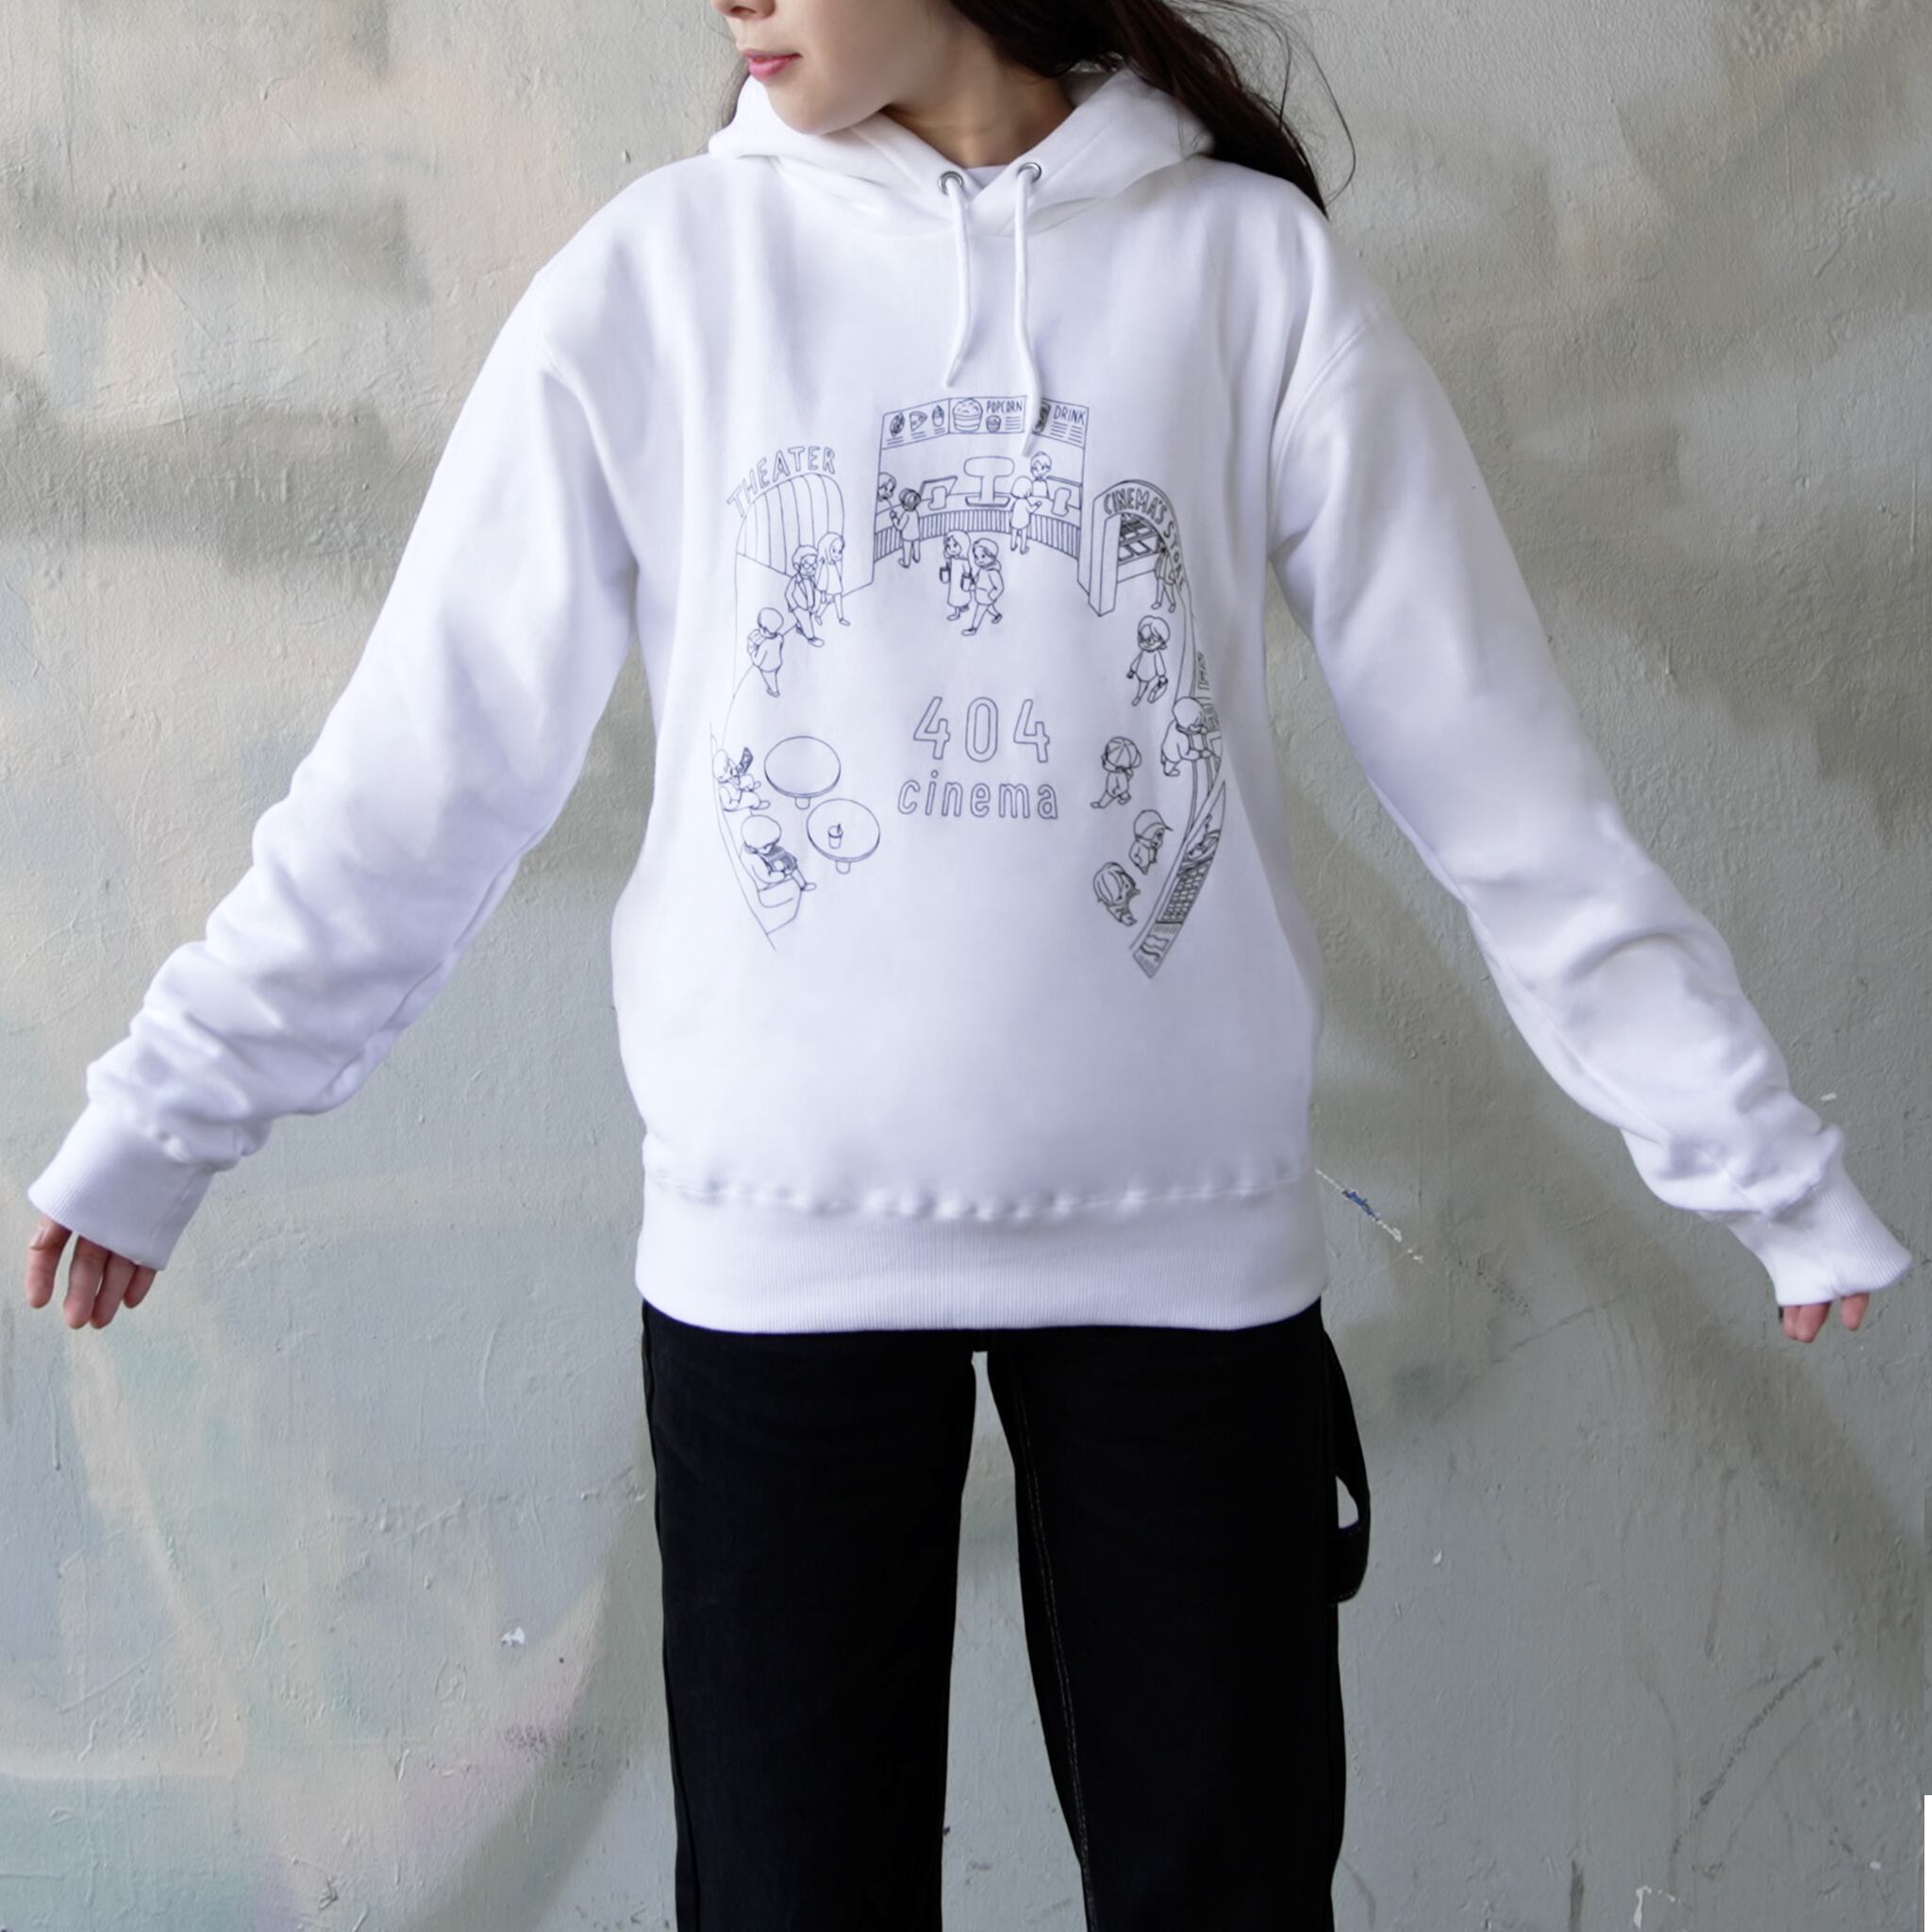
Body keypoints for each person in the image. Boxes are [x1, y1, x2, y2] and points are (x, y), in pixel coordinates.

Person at [20, 0, 1915, 1924]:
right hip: (777, 1265)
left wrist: (1750, 1154)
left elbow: (1498, 778)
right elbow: (419, 780)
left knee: (1229, 1889)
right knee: (789, 1894)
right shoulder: (659, 280)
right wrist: (172, 1109)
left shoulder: (1247, 274)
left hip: (1185, 1262)